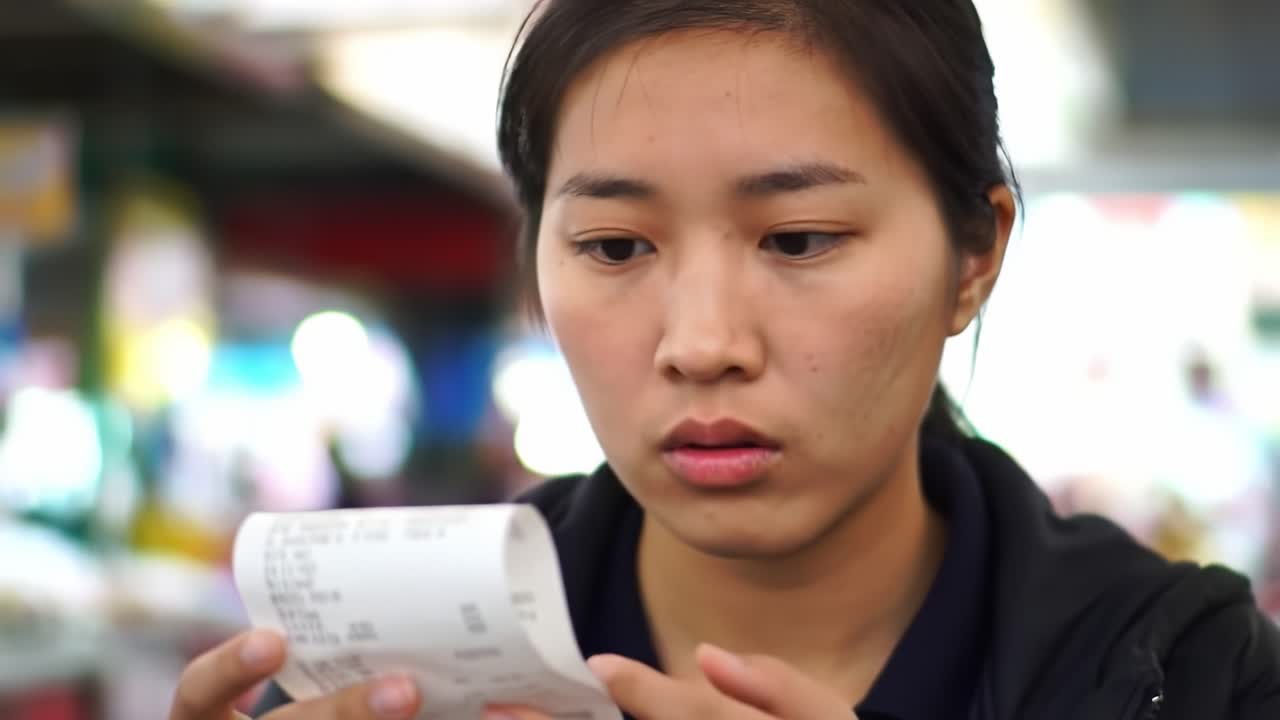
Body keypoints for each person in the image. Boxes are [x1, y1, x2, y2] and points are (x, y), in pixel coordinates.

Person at [169, 2, 1280, 719]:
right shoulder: (397, 670)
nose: (702, 345)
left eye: (798, 240)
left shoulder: (1189, 679)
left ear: (972, 257)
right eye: (614, 248)